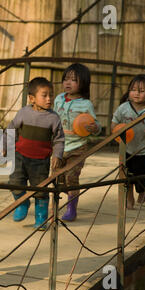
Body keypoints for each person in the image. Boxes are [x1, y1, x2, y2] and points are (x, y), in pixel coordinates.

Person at [3, 77, 64, 230]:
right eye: (44, 95)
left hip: (40, 161)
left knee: (40, 190)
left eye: (51, 95)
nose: (49, 99)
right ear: (32, 98)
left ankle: (41, 219)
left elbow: (59, 139)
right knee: (15, 183)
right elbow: (11, 130)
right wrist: (5, 145)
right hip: (20, 156)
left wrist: (57, 155)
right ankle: (22, 202)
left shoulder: (54, 118)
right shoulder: (24, 113)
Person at [53, 63, 102, 221]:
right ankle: (69, 197)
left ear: (83, 83)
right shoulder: (58, 99)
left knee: (72, 178)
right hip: (58, 146)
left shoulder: (86, 104)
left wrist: (94, 128)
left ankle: (71, 210)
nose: (68, 83)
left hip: (78, 147)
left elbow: (96, 125)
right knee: (57, 179)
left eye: (73, 80)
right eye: (66, 79)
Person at [111, 74, 145, 209]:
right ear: (128, 91)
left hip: (144, 149)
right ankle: (129, 198)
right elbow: (114, 123)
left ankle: (142, 190)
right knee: (127, 177)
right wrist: (116, 132)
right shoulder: (123, 108)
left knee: (141, 177)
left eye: (141, 91)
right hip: (126, 149)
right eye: (133, 90)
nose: (136, 94)